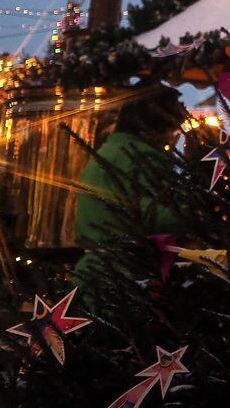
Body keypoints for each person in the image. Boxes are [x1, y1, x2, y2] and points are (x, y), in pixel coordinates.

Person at [73, 82, 187, 299]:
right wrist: (196, 213)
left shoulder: (106, 153)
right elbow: (156, 214)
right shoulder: (140, 156)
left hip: (92, 272)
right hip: (130, 277)